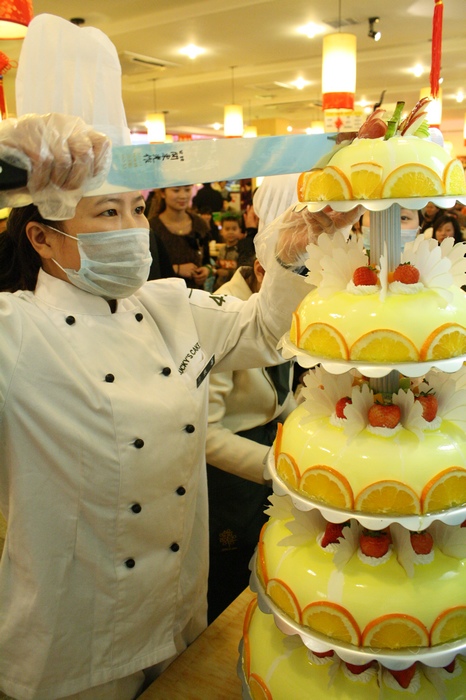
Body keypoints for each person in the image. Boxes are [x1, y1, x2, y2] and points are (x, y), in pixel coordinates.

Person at [0, 110, 363, 700]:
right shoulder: (16, 332)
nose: (131, 229)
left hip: (174, 609)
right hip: (73, 637)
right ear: (41, 238)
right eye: (107, 213)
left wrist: (295, 253)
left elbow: (265, 332)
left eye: (135, 209)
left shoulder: (168, 306)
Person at [206, 245, 297, 622]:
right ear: (261, 270)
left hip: (268, 447)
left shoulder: (280, 309)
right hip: (231, 468)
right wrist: (274, 464)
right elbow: (206, 434)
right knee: (231, 577)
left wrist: (310, 436)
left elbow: (279, 394)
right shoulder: (219, 315)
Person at [148, 186, 212, 288]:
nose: (183, 196)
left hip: (196, 293)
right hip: (163, 292)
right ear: (163, 193)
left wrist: (206, 270)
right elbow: (148, 269)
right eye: (176, 190)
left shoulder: (200, 224)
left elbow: (207, 261)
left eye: (187, 190)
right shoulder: (152, 227)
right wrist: (176, 269)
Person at [213, 213, 245, 291]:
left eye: (234, 229)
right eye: (227, 229)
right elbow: (217, 265)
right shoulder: (222, 250)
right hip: (220, 287)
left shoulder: (242, 250)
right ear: (221, 231)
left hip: (235, 288)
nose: (231, 232)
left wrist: (228, 273)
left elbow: (244, 271)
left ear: (240, 230)